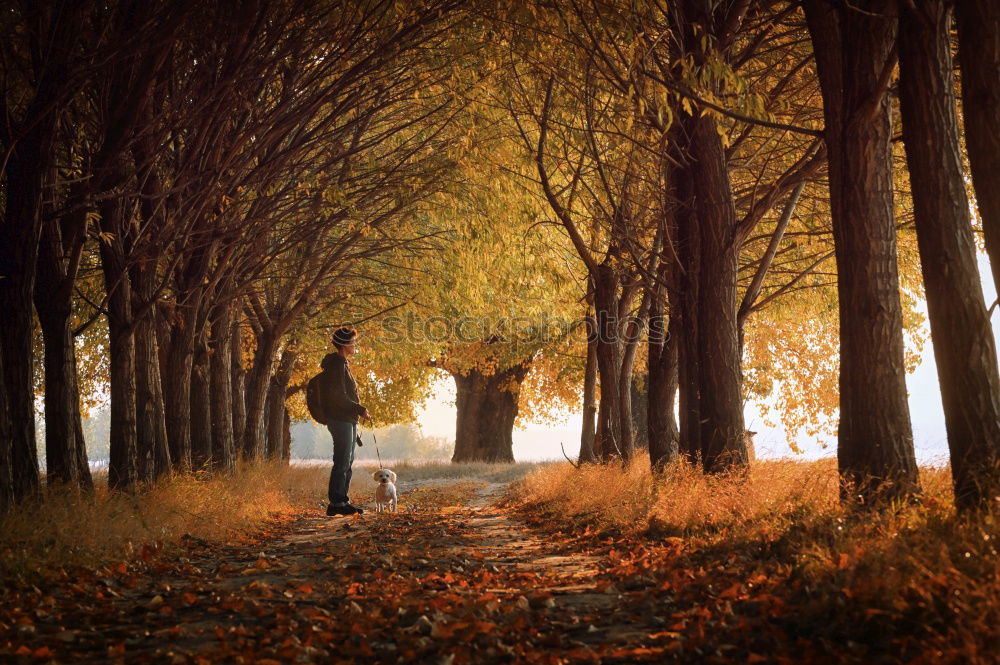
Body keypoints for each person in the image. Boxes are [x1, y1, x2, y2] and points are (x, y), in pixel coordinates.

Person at [320, 327, 371, 516]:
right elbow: (338, 396)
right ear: (344, 344)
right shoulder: (337, 364)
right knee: (342, 461)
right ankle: (336, 503)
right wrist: (360, 409)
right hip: (339, 419)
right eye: (353, 342)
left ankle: (342, 501)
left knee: (347, 461)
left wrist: (356, 412)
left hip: (347, 419)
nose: (355, 345)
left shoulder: (342, 363)